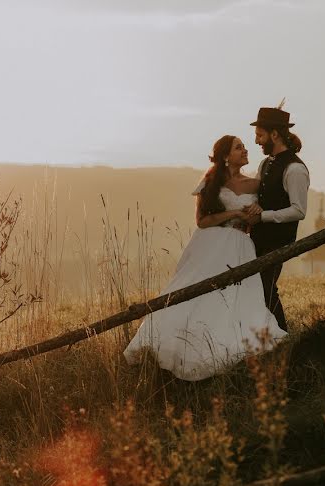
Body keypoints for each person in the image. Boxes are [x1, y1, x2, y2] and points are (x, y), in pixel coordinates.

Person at [123, 135, 287, 380]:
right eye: (238, 147)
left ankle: (228, 346)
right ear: (225, 156)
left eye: (244, 147)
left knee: (238, 297)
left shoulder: (255, 185)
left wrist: (256, 212)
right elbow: (202, 221)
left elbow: (254, 220)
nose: (245, 150)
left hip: (241, 244)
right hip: (210, 244)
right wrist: (233, 212)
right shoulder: (209, 183)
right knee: (194, 294)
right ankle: (178, 344)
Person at [244, 105, 309, 331]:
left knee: (265, 286)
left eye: (259, 135)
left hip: (279, 239)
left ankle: (283, 335)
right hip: (258, 237)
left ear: (275, 134)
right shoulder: (265, 164)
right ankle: (261, 335)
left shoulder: (295, 169)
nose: (256, 142)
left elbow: (299, 210)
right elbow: (260, 196)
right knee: (252, 286)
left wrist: (264, 216)